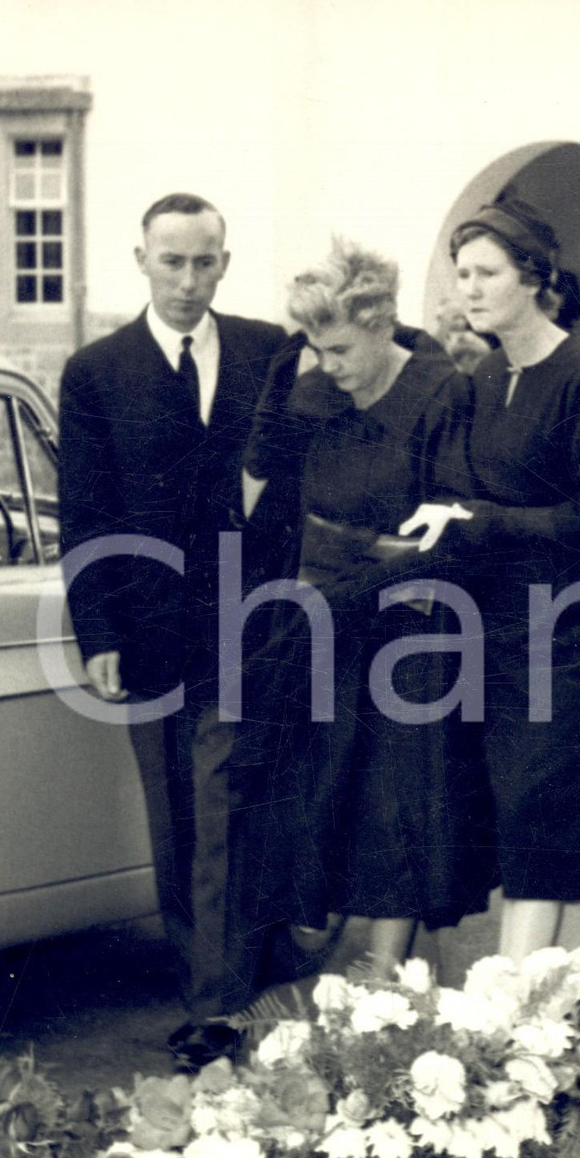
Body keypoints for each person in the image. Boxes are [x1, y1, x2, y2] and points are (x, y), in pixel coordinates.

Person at [57, 193, 310, 1055]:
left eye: (205, 262)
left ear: (225, 265)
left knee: (223, 808)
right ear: (142, 261)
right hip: (144, 634)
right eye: (173, 262)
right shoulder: (95, 372)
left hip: (246, 631)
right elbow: (83, 514)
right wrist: (100, 637)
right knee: (175, 822)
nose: (189, 281)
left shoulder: (269, 352)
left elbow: (290, 490)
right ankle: (211, 982)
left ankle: (219, 1004)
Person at [223, 238, 497, 987]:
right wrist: (285, 375)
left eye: (340, 347)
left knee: (397, 800)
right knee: (325, 791)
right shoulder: (320, 393)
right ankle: (387, 970)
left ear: (382, 326)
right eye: (318, 348)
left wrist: (372, 572)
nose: (331, 364)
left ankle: (385, 972)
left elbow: (447, 532)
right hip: (329, 617)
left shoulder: (441, 393)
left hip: (410, 627)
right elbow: (260, 471)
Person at [401, 198, 580, 964]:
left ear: (533, 278)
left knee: (544, 818)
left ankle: (507, 1017)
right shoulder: (485, 375)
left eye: (486, 273)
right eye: (460, 273)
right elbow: (472, 497)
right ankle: (569, 1011)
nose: (467, 289)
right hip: (506, 635)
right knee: (538, 824)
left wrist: (492, 522)